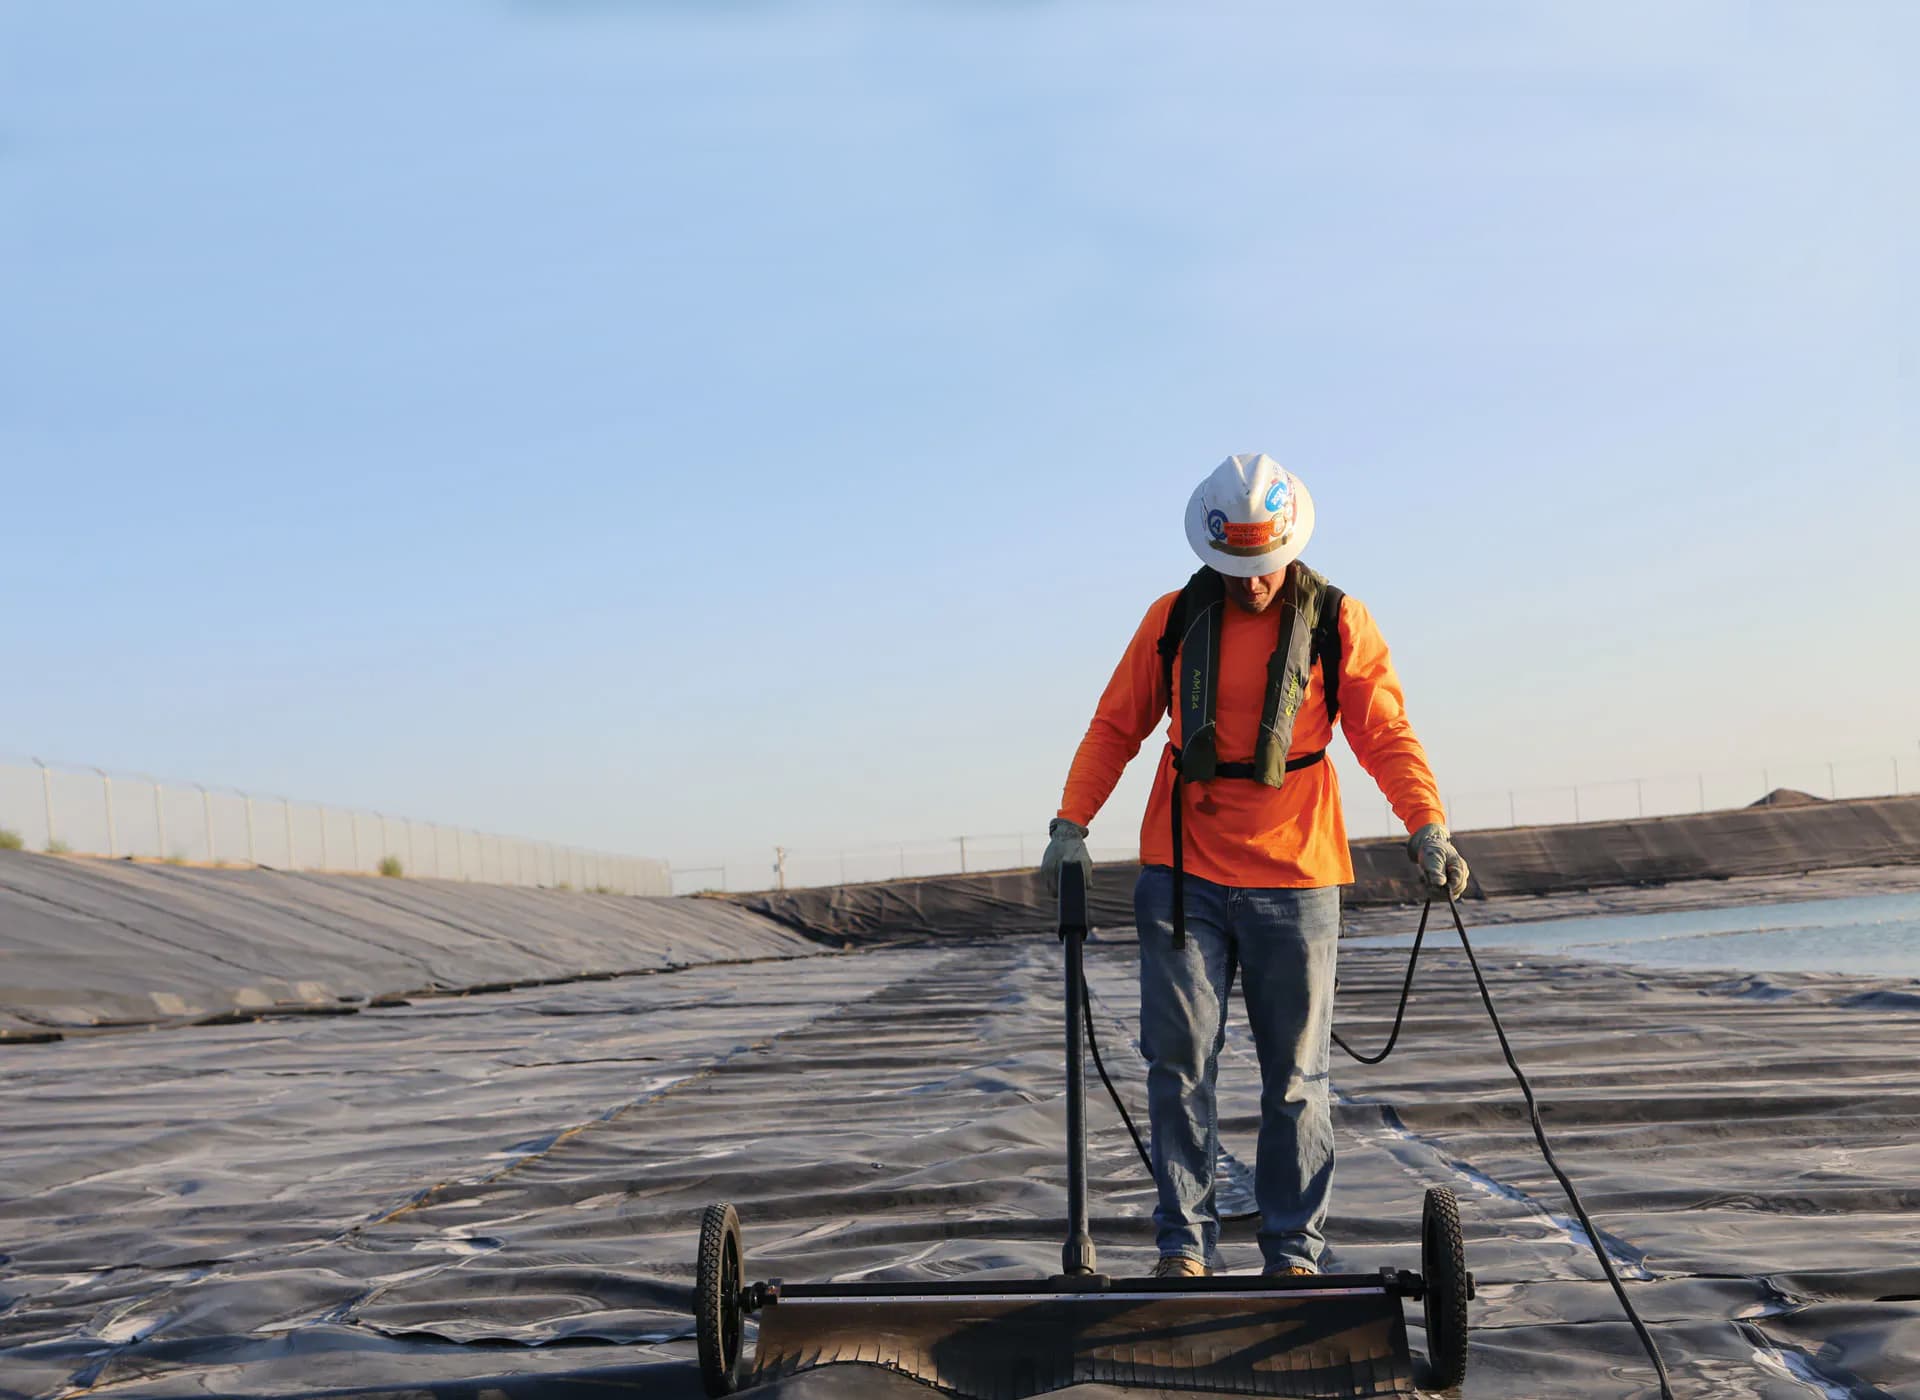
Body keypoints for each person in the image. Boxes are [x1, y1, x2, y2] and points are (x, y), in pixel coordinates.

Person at [1040, 453, 1467, 1280]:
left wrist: (1426, 826)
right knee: (1177, 1066)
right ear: (1212, 552)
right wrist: (1071, 823)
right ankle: (1184, 1249)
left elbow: (1385, 732)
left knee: (1297, 1079)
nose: (1254, 583)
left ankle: (1293, 1254)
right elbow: (1114, 727)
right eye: (1236, 568)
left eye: (1264, 566)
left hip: (1298, 876)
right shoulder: (1172, 619)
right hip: (1183, 870)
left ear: (1288, 548)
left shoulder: (1338, 621)